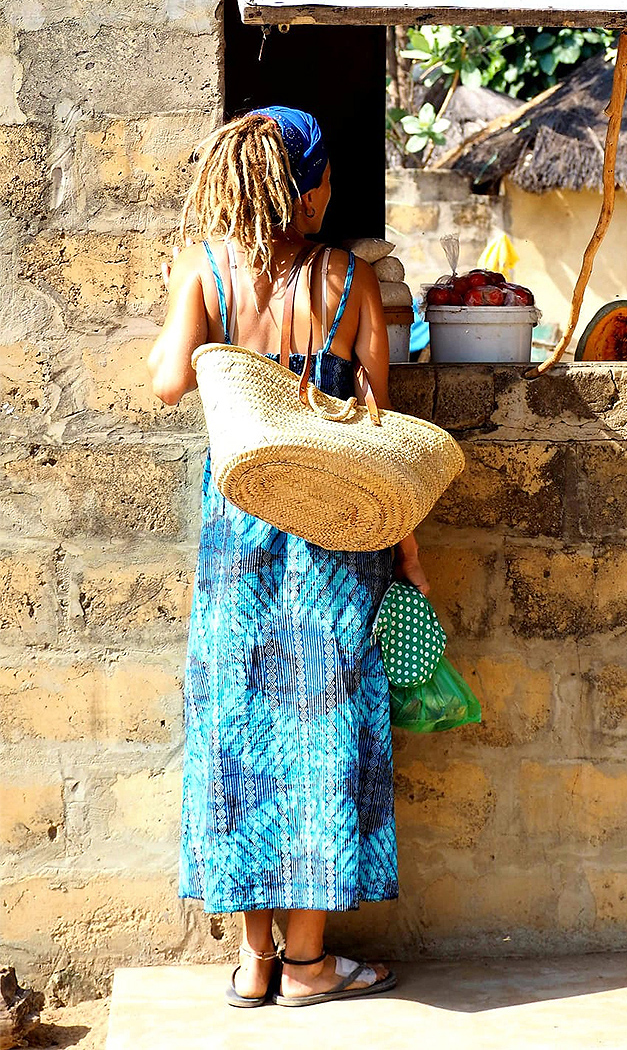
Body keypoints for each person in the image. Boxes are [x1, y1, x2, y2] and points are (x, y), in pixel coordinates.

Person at [147, 107, 429, 1008]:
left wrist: (180, 294)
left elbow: (166, 380)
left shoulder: (204, 270)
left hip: (238, 539)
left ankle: (253, 960)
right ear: (305, 188)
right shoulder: (351, 282)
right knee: (321, 738)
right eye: (328, 176)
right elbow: (378, 436)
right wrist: (412, 557)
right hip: (341, 537)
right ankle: (311, 965)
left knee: (238, 734)